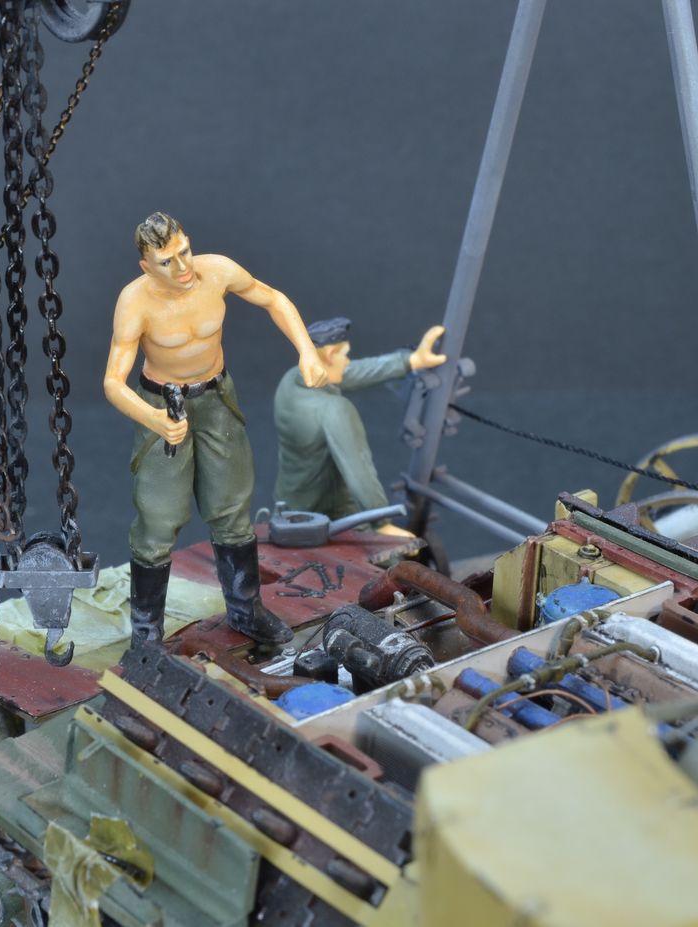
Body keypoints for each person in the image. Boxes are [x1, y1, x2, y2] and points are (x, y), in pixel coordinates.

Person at [104, 212, 328, 647]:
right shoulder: (135, 302)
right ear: (146, 266)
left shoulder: (218, 270)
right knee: (159, 515)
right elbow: (113, 381)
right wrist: (153, 419)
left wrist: (307, 350)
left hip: (216, 398)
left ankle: (246, 608)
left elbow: (273, 299)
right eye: (166, 261)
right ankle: (147, 632)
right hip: (161, 403)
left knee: (231, 503)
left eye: (184, 251)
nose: (182, 266)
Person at [273, 317, 446, 536]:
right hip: (330, 514)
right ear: (329, 355)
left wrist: (411, 360)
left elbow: (350, 372)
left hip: (291, 504)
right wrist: (381, 522)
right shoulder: (334, 410)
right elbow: (359, 469)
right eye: (344, 355)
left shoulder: (291, 381)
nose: (347, 361)